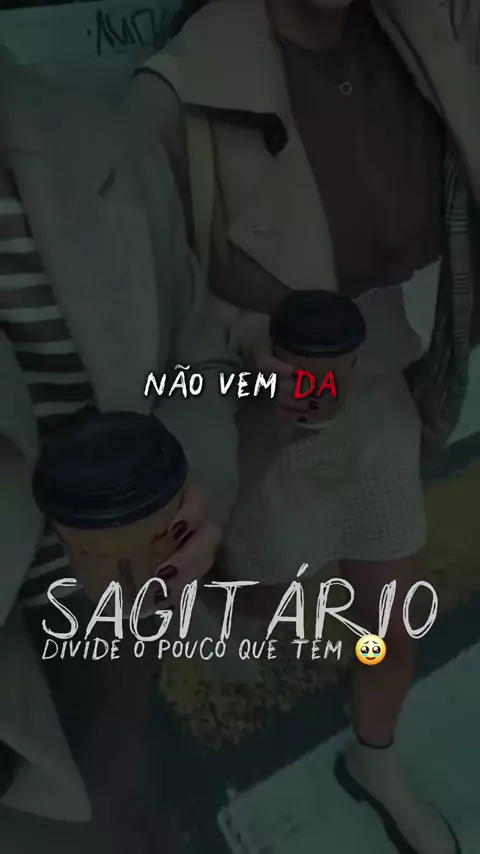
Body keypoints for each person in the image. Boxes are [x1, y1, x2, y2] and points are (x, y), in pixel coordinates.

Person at [128, 1, 480, 853]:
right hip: (262, 425)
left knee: (390, 618)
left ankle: (375, 758)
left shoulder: (422, 33)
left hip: (382, 390)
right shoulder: (174, 93)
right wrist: (250, 344)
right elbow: (145, 306)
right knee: (264, 619)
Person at [0, 40, 238, 853]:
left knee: (122, 800)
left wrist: (190, 486)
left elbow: (194, 358)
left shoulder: (99, 136)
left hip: (122, 620)